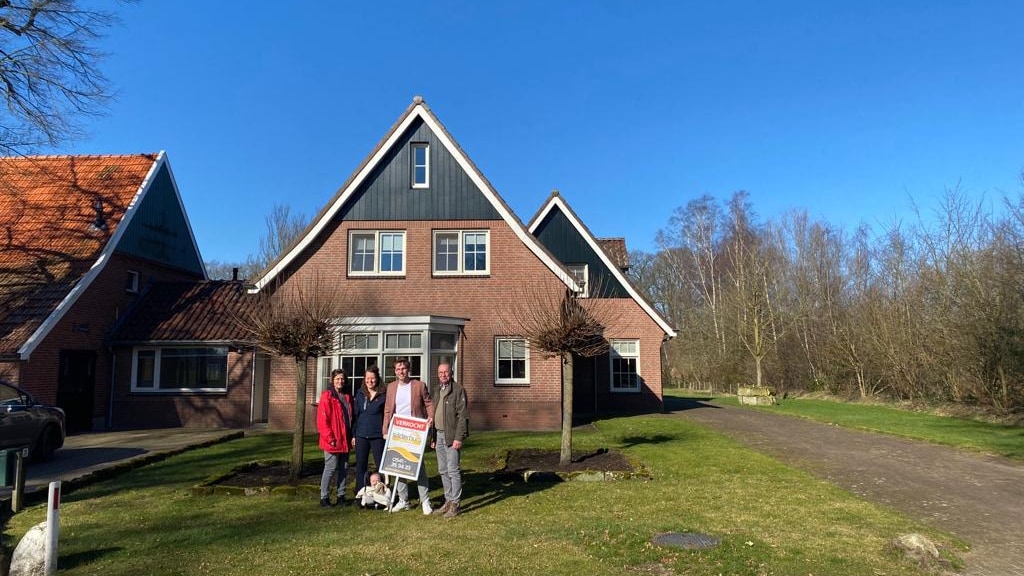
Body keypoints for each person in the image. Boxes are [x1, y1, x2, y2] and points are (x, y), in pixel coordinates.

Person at [382, 357, 434, 514]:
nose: (401, 372)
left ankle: (425, 500)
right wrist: (385, 429)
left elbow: (429, 403)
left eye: (403, 368)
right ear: (395, 371)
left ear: (408, 369)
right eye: (398, 369)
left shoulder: (418, 385)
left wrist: (430, 417)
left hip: (415, 431)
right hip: (397, 431)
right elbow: (387, 410)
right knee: (398, 466)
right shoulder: (391, 387)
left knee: (418, 466)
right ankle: (403, 499)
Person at [430, 362, 469, 518]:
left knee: (453, 470)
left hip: (452, 437)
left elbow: (462, 416)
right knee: (443, 470)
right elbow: (434, 414)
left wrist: (459, 437)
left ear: (451, 373)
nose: (443, 375)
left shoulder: (458, 390)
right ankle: (448, 500)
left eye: (446, 372)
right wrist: (432, 437)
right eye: (440, 373)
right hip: (438, 435)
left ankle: (455, 504)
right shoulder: (437, 390)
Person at [317, 368, 353, 508]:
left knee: (344, 468)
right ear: (332, 380)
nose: (340, 381)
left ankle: (341, 496)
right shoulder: (327, 396)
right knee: (330, 468)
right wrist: (330, 437)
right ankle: (324, 497)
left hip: (345, 439)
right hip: (333, 439)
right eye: (337, 378)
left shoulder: (348, 397)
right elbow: (322, 420)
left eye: (342, 378)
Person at [352, 366, 387, 500]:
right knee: (361, 465)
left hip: (378, 436)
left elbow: (386, 415)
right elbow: (355, 416)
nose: (370, 381)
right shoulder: (360, 394)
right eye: (367, 378)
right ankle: (361, 493)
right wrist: (354, 434)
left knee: (381, 465)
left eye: (373, 378)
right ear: (364, 379)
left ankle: (382, 494)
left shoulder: (384, 395)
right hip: (361, 435)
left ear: (377, 379)